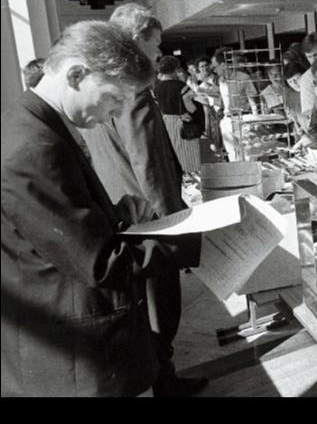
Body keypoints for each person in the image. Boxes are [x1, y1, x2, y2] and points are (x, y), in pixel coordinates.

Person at [1, 21, 201, 396]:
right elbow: (100, 261)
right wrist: (193, 236)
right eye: (114, 98)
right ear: (76, 74)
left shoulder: (35, 124)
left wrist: (141, 211)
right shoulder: (34, 148)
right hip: (73, 359)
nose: (115, 114)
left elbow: (75, 214)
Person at [79, 4, 208, 397]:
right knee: (160, 308)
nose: (158, 54)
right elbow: (146, 161)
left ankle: (162, 378)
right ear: (135, 42)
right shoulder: (133, 89)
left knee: (147, 308)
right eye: (154, 46)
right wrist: (174, 225)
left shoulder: (101, 87)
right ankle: (164, 381)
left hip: (122, 210)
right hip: (148, 216)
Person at [154, 55, 202, 175]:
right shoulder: (180, 86)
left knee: (173, 155)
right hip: (182, 123)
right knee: (188, 156)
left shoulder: (156, 88)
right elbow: (191, 108)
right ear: (175, 69)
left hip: (165, 124)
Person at [212, 47, 260, 161]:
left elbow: (253, 100)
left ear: (223, 65)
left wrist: (255, 121)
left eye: (215, 67)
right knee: (233, 157)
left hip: (243, 118)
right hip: (227, 120)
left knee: (249, 156)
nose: (214, 70)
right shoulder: (220, 80)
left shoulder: (243, 77)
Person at [297, 33, 317, 133]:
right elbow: (308, 111)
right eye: (309, 57)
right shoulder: (307, 78)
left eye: (316, 54)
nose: (313, 60)